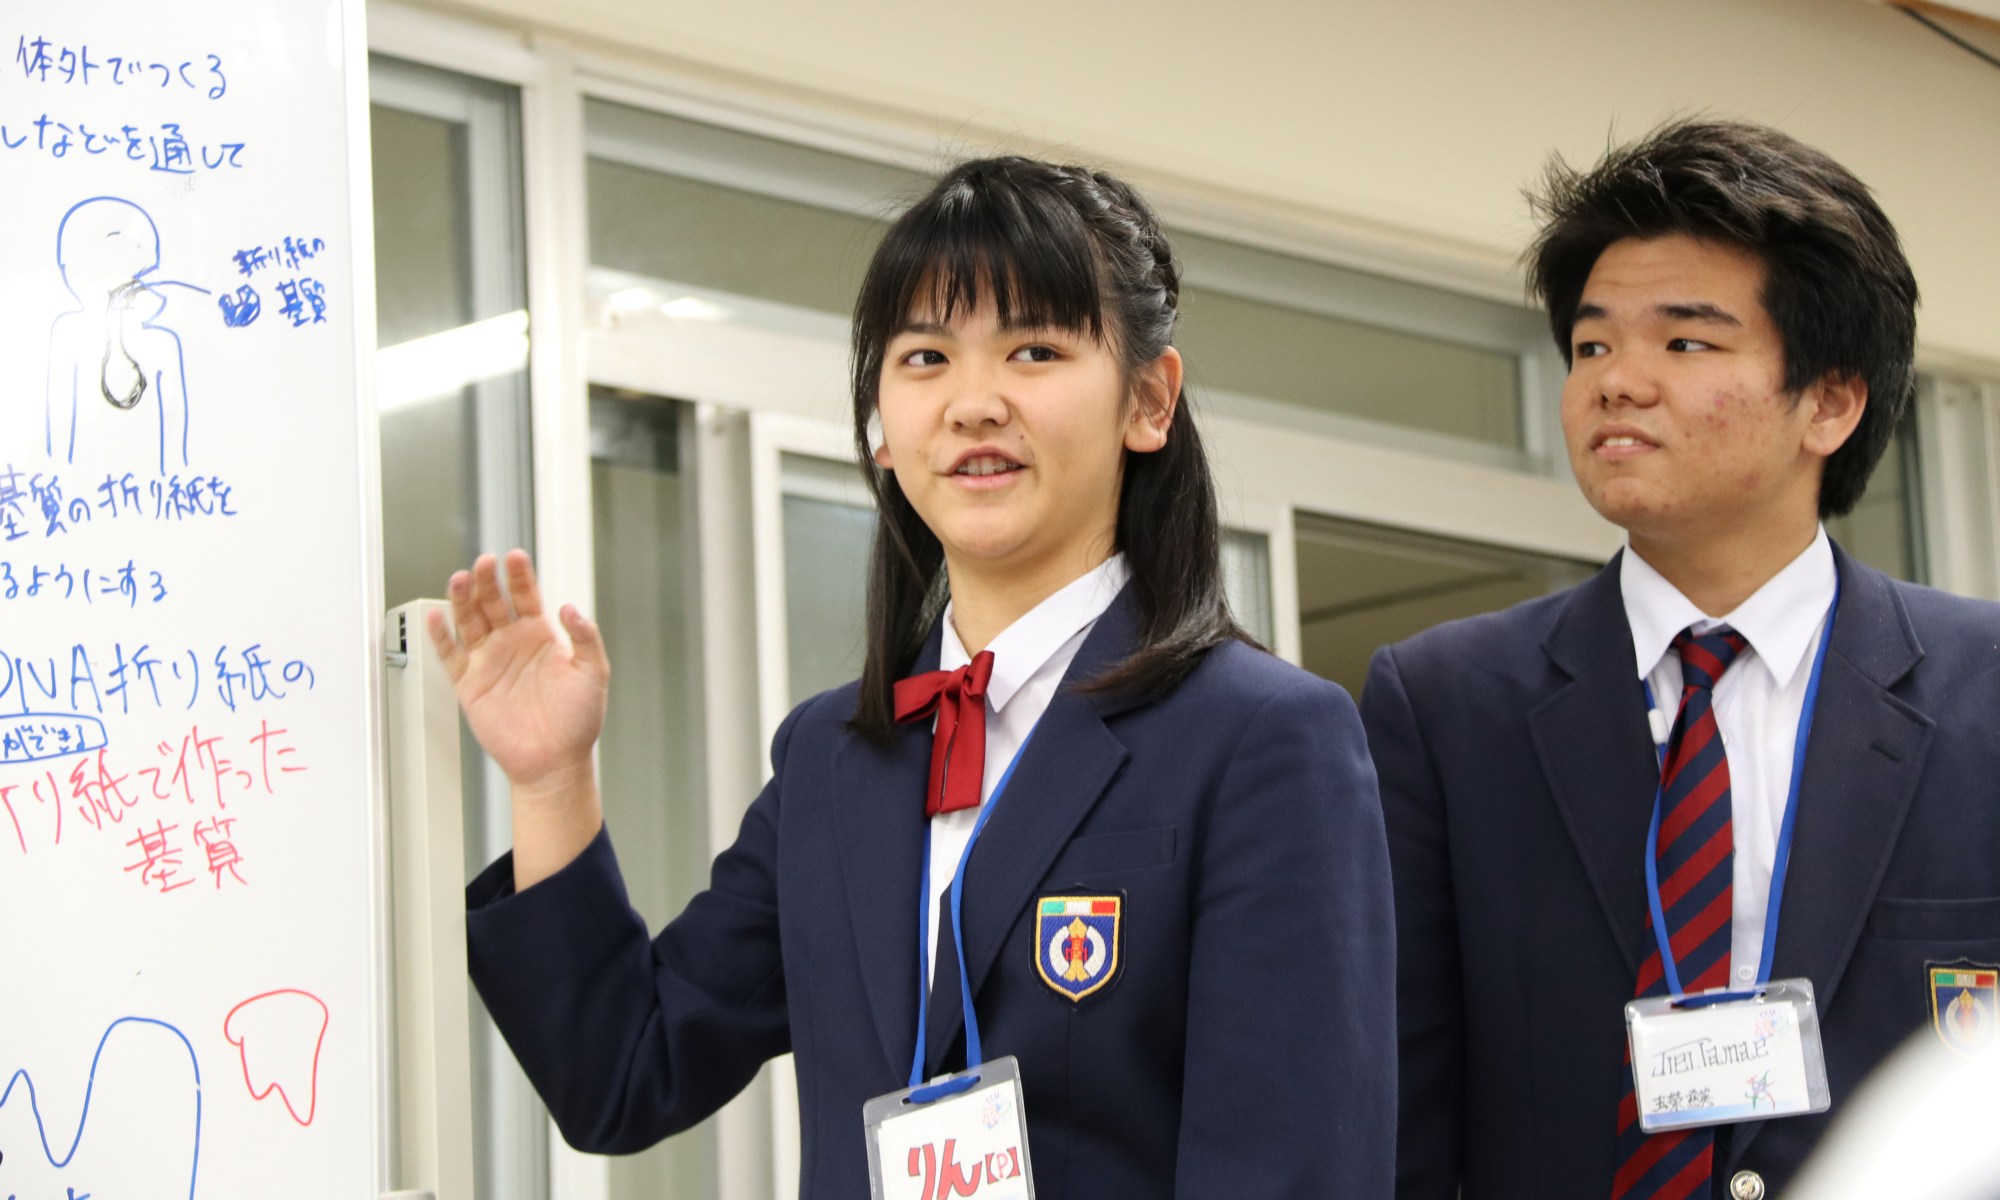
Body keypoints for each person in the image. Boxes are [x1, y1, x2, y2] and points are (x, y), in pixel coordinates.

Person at [435, 156, 1395, 1199]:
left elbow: (1290, 1169)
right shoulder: (833, 759)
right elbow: (624, 1072)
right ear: (881, 426)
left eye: (1034, 350)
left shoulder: (1262, 737)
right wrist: (550, 780)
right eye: (925, 357)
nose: (973, 404)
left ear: (1148, 400)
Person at [1361, 119, 2000, 1200]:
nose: (1616, 382)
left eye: (1685, 344)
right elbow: (1399, 1109)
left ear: (1830, 400)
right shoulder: (1445, 706)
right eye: (1591, 347)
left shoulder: (1983, 692)